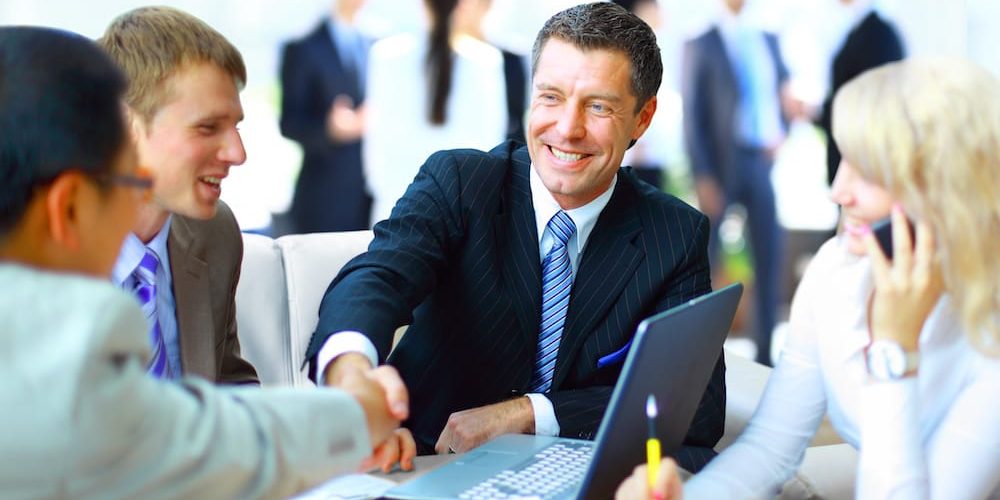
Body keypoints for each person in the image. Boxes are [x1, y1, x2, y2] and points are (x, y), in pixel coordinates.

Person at [308, 2, 725, 473]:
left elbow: (699, 406)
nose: (567, 129)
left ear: (642, 118)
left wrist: (529, 414)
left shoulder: (674, 233)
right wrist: (351, 374)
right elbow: (377, 277)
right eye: (550, 97)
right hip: (430, 460)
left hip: (572, 472)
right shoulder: (461, 182)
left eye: (598, 106)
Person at [0, 25, 411, 497]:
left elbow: (226, 393)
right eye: (116, 191)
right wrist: (354, 418)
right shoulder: (61, 334)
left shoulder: (213, 235)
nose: (237, 153)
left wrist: (334, 444)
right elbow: (169, 439)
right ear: (67, 207)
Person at [616, 57, 1000, 499]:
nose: (838, 191)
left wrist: (895, 352)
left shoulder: (986, 336)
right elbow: (771, 448)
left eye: (870, 172)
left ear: (948, 189)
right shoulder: (838, 271)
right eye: (844, 161)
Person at [97, 7, 258, 383]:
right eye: (207, 127)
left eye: (235, 126)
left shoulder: (215, 233)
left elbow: (230, 386)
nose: (237, 153)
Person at [681, 0, 789, 365]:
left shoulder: (767, 37)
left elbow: (781, 93)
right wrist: (703, 176)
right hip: (721, 166)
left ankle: (764, 352)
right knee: (705, 261)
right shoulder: (701, 41)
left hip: (759, 159)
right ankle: (699, 354)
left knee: (769, 253)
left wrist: (782, 132)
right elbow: (693, 117)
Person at [363, 0, 507, 225]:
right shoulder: (486, 61)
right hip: (461, 212)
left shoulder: (386, 55)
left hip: (394, 207)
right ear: (461, 6)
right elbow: (490, 145)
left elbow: (377, 145)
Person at [280, 0, 372, 234]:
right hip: (325, 198)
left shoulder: (380, 46)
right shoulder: (303, 47)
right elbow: (290, 122)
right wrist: (329, 131)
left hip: (374, 197)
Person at [818, 0, 903, 185]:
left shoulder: (879, 34)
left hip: (863, 161)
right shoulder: (855, 29)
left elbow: (877, 104)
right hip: (848, 153)